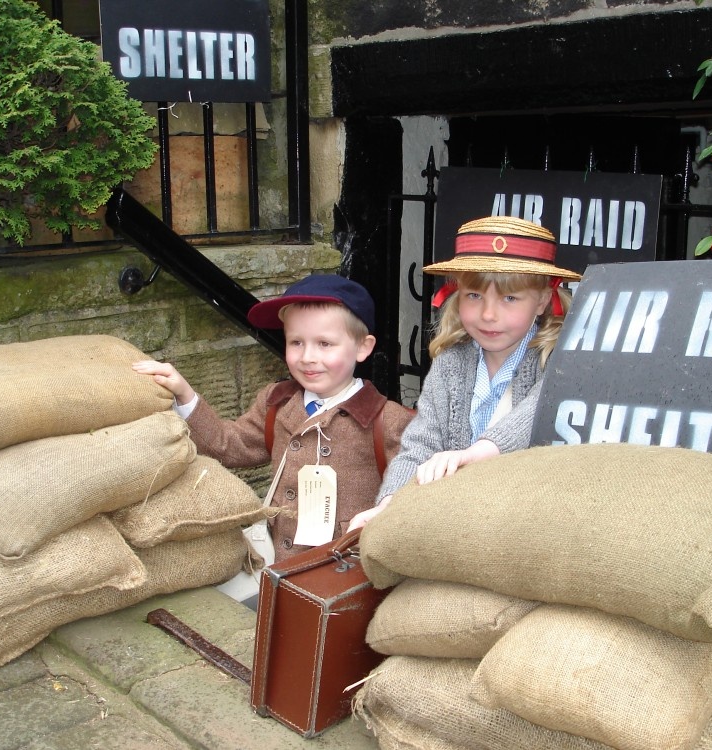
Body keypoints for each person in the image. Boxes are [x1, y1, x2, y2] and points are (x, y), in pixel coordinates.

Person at [132, 274, 414, 567]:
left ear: (362, 347)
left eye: (324, 343)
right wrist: (184, 394)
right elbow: (227, 446)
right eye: (296, 342)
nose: (307, 357)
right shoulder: (277, 404)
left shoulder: (386, 420)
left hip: (344, 576)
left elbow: (412, 497)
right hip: (278, 563)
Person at [349, 215, 581, 530]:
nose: (488, 314)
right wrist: (391, 504)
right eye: (474, 296)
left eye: (509, 298)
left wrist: (474, 454)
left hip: (529, 522)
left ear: (541, 301)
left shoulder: (556, 361)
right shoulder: (450, 364)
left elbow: (536, 412)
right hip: (459, 521)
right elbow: (420, 443)